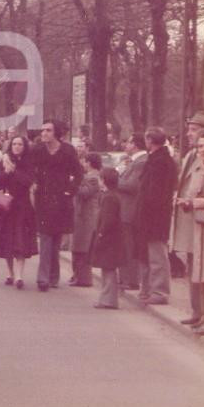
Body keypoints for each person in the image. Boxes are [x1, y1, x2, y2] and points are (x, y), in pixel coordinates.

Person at [172, 111, 204, 325]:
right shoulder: (191, 154)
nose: (189, 134)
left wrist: (194, 202)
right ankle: (197, 312)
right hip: (189, 217)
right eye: (189, 129)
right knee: (193, 265)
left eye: (194, 130)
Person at [30, 119, 83, 292]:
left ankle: (54, 276)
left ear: (56, 133)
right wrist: (33, 182)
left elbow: (78, 173)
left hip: (61, 200)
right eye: (43, 130)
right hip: (43, 198)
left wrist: (70, 191)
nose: (44, 133)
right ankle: (43, 278)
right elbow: (29, 168)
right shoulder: (38, 149)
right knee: (46, 237)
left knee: (56, 239)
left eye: (48, 130)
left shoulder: (67, 150)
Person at [0, 135, 38, 288]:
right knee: (8, 241)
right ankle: (10, 273)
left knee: (21, 241)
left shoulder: (29, 162)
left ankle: (19, 276)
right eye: (14, 144)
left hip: (23, 206)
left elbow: (28, 181)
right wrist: (6, 172)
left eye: (20, 144)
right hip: (7, 206)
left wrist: (14, 171)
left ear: (24, 147)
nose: (17, 147)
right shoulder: (4, 160)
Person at [135, 126, 179, 305]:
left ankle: (159, 291)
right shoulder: (161, 159)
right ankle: (148, 289)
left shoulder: (159, 162)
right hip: (153, 214)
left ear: (149, 141)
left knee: (156, 254)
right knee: (148, 253)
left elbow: (153, 192)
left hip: (154, 216)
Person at [92, 167, 126, 309]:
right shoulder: (112, 195)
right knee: (107, 268)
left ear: (104, 180)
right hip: (112, 238)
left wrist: (100, 233)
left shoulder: (109, 197)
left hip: (109, 239)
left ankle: (108, 300)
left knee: (108, 269)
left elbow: (108, 219)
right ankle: (107, 298)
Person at [116, 133, 147, 291]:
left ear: (135, 144)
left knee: (129, 246)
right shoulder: (134, 161)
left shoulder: (140, 162)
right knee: (126, 245)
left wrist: (113, 179)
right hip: (126, 209)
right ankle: (126, 279)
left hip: (130, 210)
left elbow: (132, 185)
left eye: (128, 142)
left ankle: (131, 280)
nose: (125, 146)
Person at [71, 153, 103, 287]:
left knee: (83, 248)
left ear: (89, 163)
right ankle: (77, 276)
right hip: (83, 217)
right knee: (79, 247)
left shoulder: (93, 177)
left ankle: (83, 278)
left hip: (86, 217)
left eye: (84, 162)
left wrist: (73, 183)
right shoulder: (89, 176)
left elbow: (85, 193)